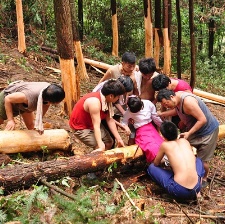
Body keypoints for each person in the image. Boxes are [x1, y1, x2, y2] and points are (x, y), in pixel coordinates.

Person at [156, 89, 219, 187]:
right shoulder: (176, 100)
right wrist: (164, 114)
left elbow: (202, 120)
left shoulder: (187, 102)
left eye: (166, 103)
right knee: (184, 150)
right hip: (195, 130)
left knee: (202, 160)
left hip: (208, 132)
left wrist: (189, 133)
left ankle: (204, 178)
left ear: (172, 97)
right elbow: (177, 111)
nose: (166, 106)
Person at [147, 121, 205, 200]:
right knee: (198, 160)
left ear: (163, 136)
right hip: (196, 187)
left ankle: (174, 195)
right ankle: (198, 192)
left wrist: (164, 160)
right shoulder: (185, 141)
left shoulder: (165, 145)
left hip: (179, 191)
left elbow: (156, 163)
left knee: (151, 168)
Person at [69, 79, 126, 152]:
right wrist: (100, 145)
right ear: (111, 96)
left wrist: (119, 139)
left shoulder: (107, 100)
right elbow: (96, 126)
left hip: (92, 124)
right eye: (118, 96)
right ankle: (95, 162)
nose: (119, 98)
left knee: (109, 142)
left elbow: (109, 119)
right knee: (99, 147)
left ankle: (105, 161)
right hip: (81, 127)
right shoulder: (95, 103)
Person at [0, 81, 65, 134]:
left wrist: (39, 121)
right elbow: (8, 99)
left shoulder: (48, 93)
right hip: (7, 99)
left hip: (25, 105)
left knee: (32, 126)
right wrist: (10, 120)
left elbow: (46, 105)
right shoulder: (27, 96)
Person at [121, 95, 163, 162]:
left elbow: (155, 117)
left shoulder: (148, 103)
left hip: (151, 128)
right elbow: (124, 122)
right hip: (141, 131)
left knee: (160, 144)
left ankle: (163, 159)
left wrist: (162, 126)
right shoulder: (128, 112)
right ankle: (156, 161)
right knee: (150, 147)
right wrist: (126, 128)